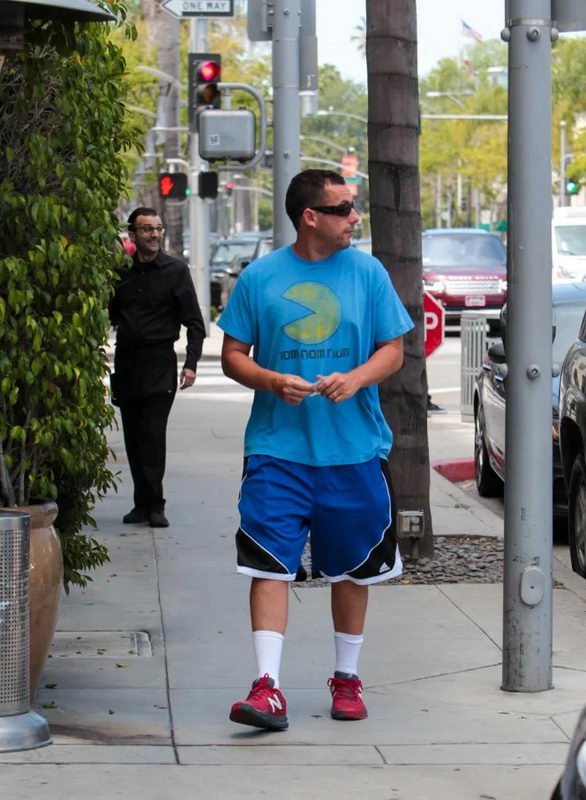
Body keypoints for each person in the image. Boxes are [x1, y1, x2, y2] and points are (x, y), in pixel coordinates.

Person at [218, 170, 414, 731]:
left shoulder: (367, 272)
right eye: (344, 208)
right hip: (277, 450)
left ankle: (346, 678)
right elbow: (234, 354)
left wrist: (355, 379)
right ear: (311, 217)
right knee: (268, 562)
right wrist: (272, 381)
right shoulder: (261, 277)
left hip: (353, 450)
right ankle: (267, 687)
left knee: (352, 568)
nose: (355, 216)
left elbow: (393, 350)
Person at [109, 207, 206, 528]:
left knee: (152, 436)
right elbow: (109, 314)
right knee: (134, 439)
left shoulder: (175, 271)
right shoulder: (121, 272)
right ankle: (141, 503)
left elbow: (195, 322)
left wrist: (191, 364)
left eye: (158, 229)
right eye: (147, 229)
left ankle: (156, 505)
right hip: (126, 363)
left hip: (159, 363)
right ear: (133, 234)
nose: (154, 234)